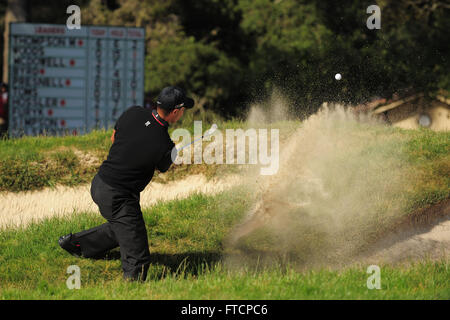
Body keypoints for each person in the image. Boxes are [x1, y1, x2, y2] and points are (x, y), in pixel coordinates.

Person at [58, 86, 194, 281]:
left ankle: (76, 245)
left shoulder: (135, 112)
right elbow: (161, 168)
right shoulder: (165, 144)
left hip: (100, 183)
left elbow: (115, 138)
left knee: (123, 227)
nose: (182, 114)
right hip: (119, 196)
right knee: (138, 255)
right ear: (175, 112)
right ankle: (132, 285)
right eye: (182, 110)